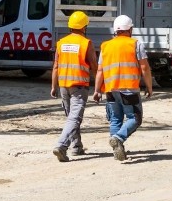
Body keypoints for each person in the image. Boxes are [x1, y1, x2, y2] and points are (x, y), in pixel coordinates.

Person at [93, 14, 153, 162]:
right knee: (135, 119)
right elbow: (144, 67)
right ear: (130, 29)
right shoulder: (135, 44)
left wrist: (96, 90)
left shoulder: (105, 45)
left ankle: (117, 149)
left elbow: (100, 71)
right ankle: (118, 138)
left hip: (111, 89)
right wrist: (149, 86)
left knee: (115, 119)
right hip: (129, 89)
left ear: (116, 30)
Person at [50, 10, 97, 162]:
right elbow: (95, 66)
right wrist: (99, 86)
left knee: (72, 118)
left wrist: (53, 86)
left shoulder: (61, 43)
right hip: (79, 86)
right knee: (74, 118)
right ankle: (62, 146)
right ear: (84, 27)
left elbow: (56, 67)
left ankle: (76, 147)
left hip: (63, 85)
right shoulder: (86, 43)